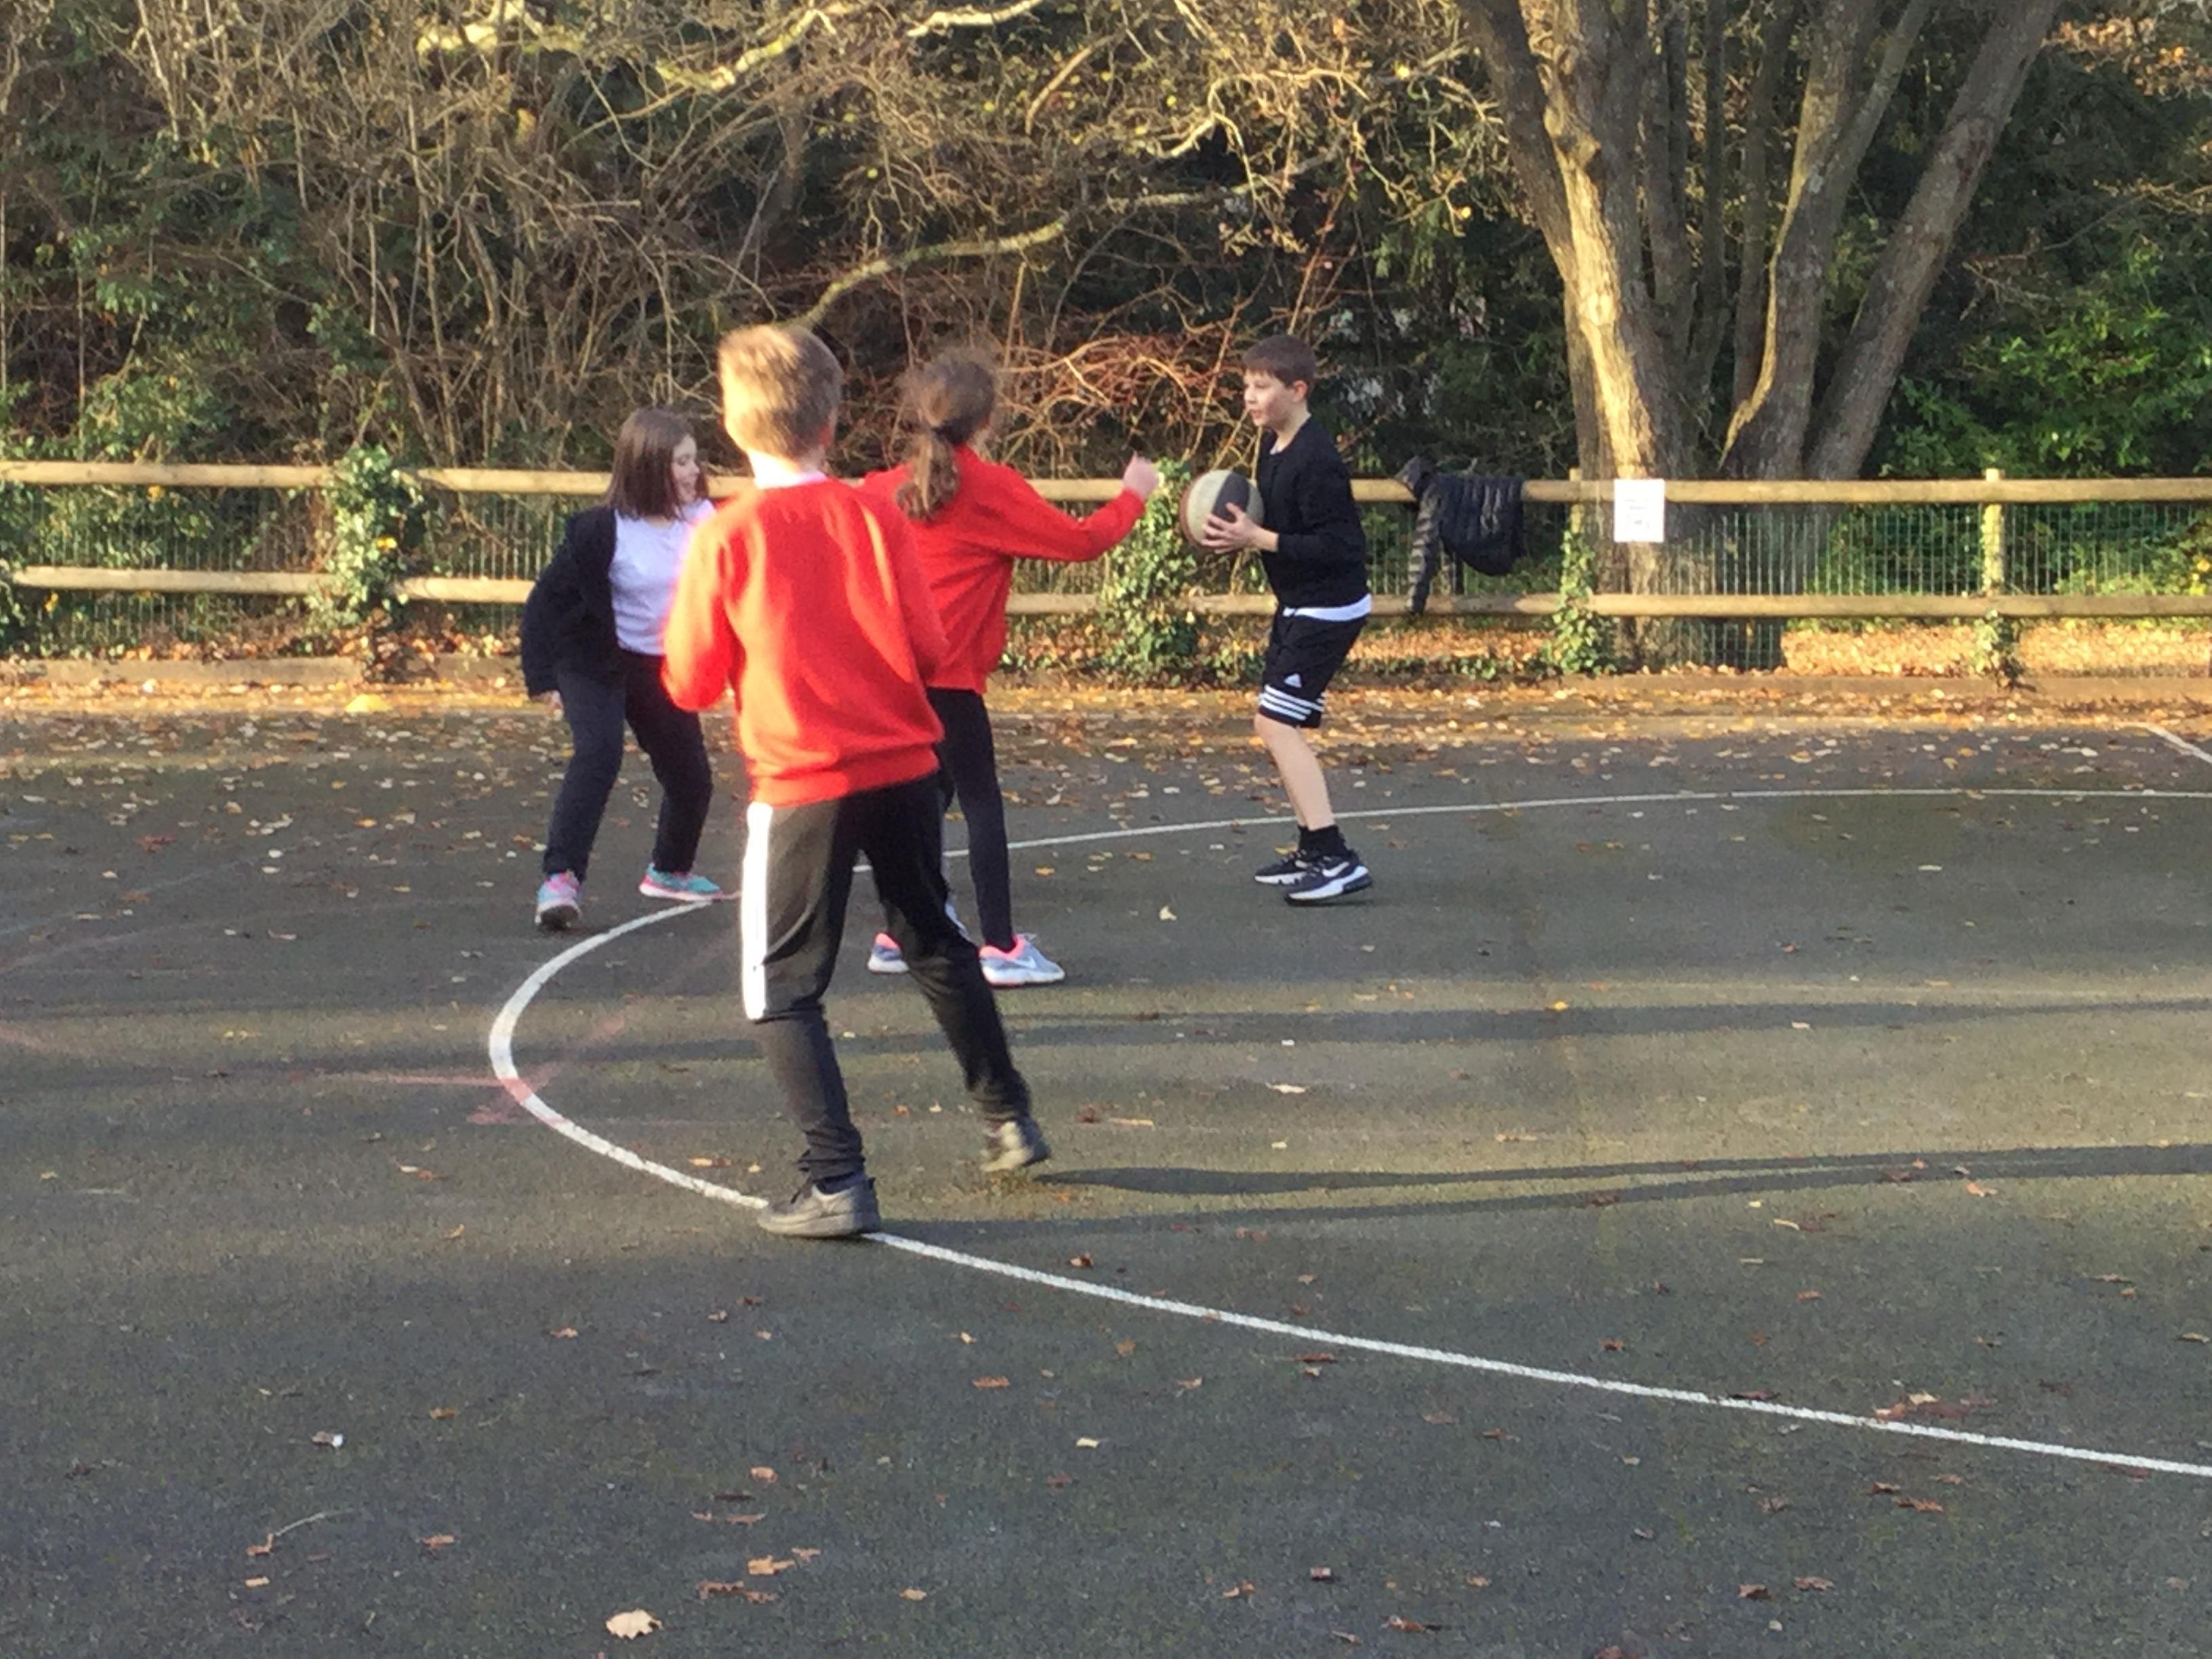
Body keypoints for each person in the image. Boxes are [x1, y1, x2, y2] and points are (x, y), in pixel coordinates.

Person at [660, 324, 1049, 1240]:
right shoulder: (876, 515)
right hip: (906, 769)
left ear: (732, 424)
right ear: (831, 425)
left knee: (779, 987)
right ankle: (1008, 1117)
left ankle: (836, 1178)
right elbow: (931, 648)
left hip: (804, 782)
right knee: (937, 943)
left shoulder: (729, 535)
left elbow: (689, 681)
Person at [857, 355, 1161, 987]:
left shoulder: (882, 489)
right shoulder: (990, 489)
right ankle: (1000, 945)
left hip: (892, 676)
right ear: (988, 421)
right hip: (949, 676)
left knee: (925, 797)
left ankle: (901, 932)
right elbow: (1081, 542)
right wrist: (1133, 494)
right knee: (980, 802)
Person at [520, 408, 722, 931]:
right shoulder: (601, 531)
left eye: (694, 460)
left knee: (691, 776)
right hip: (594, 659)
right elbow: (546, 601)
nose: (694, 471)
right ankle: (560, 879)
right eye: (681, 462)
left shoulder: (707, 520)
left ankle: (670, 870)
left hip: (662, 664)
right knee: (599, 752)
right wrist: (542, 679)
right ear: (649, 467)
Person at [1201, 335, 1374, 902]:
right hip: (1298, 604)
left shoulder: (1317, 459)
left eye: (1262, 387)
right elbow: (1275, 525)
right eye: (1246, 386)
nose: (1249, 397)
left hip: (1329, 608)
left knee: (1275, 724)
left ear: (1298, 390)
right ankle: (1314, 850)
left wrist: (1261, 538)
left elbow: (1342, 547)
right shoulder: (1272, 446)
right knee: (1275, 724)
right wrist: (1242, 534)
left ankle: (1336, 857)